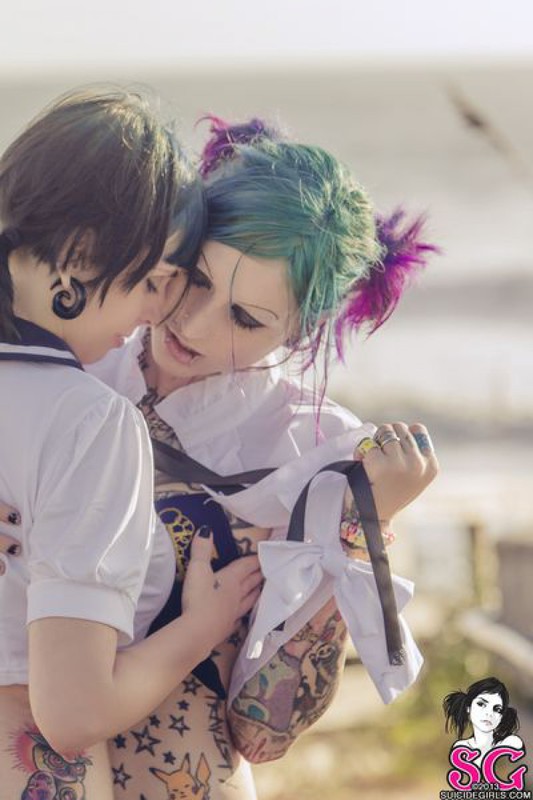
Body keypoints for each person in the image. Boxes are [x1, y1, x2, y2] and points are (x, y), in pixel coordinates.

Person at [80, 116, 436, 798]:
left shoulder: (307, 451)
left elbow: (263, 734)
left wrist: (357, 527)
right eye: (195, 278)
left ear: (302, 330)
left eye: (246, 318)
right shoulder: (70, 356)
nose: (193, 324)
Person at [0, 92, 262, 799]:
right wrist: (201, 628)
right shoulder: (88, 422)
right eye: (154, 280)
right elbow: (75, 713)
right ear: (79, 254)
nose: (157, 311)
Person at [443, 677, 523, 767]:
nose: (489, 713)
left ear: (502, 717)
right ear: (468, 707)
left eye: (497, 709)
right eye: (481, 704)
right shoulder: (461, 747)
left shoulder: (511, 742)